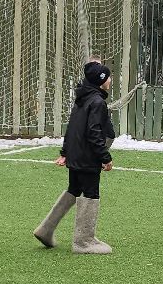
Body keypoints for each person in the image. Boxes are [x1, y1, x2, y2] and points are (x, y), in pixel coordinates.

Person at [36, 61, 117, 254]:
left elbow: (72, 127)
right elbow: (93, 132)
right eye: (108, 77)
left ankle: (46, 229)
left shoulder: (83, 98)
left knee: (74, 189)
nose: (110, 80)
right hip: (88, 158)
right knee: (91, 194)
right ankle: (83, 241)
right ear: (101, 81)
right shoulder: (97, 102)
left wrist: (65, 153)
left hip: (76, 155)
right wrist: (105, 157)